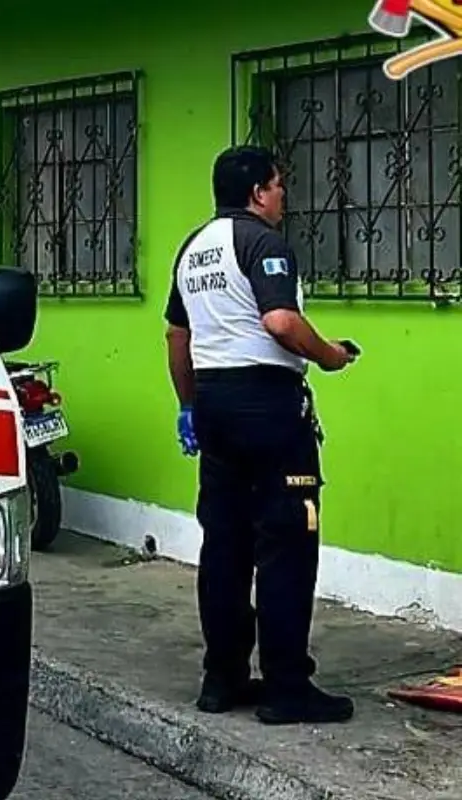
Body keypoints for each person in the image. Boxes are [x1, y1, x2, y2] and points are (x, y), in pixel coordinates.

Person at [163, 145, 358, 726]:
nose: (282, 197)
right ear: (256, 192)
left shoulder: (194, 249)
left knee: (224, 546)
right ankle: (286, 688)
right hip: (269, 409)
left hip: (216, 407)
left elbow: (177, 337)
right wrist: (329, 356)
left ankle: (221, 679)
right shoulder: (263, 243)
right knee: (286, 547)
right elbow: (279, 322)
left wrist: (189, 405)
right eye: (278, 186)